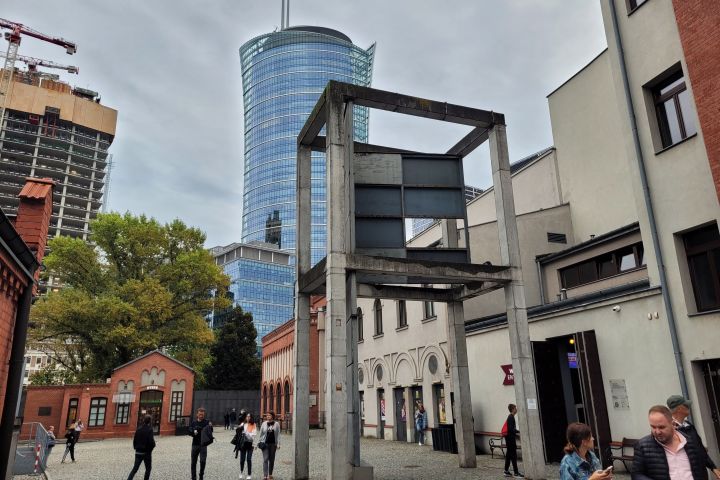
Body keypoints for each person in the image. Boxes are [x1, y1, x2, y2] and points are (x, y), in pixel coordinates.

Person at [633, 405, 707, 480]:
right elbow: (636, 475)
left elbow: (701, 470)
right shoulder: (642, 446)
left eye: (662, 427)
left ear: (673, 424)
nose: (657, 432)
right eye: (653, 427)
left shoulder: (690, 441)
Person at [667, 395, 720, 480]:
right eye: (686, 405)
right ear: (680, 408)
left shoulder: (689, 425)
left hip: (701, 474)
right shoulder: (669, 430)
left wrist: (713, 468)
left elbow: (700, 449)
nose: (689, 407)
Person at [127, 415, 156, 480]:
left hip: (138, 452)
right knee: (148, 469)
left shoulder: (138, 429)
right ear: (150, 421)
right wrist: (151, 448)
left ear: (144, 420)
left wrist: (136, 448)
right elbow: (151, 441)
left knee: (135, 469)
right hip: (146, 453)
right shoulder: (150, 429)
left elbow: (134, 440)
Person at [189, 408, 210, 480]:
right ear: (197, 414)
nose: (201, 416)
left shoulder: (207, 422)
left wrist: (210, 427)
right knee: (193, 462)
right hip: (195, 444)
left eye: (202, 415)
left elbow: (210, 431)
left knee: (203, 461)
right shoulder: (193, 423)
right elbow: (189, 431)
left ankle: (201, 475)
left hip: (203, 445)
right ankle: (193, 477)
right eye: (200, 414)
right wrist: (193, 432)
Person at [258, 412, 281, 480]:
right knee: (265, 459)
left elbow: (279, 434)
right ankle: (265, 475)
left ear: (272, 416)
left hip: (273, 444)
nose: (268, 416)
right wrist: (259, 442)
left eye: (269, 415)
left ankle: (270, 474)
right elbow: (261, 433)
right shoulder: (264, 423)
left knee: (271, 459)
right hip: (265, 444)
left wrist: (279, 444)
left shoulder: (276, 424)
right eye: (267, 415)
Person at [503, 404, 523, 478]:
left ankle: (506, 471)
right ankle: (516, 472)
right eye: (515, 408)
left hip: (509, 439)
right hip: (510, 439)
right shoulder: (511, 417)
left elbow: (511, 428)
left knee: (509, 455)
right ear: (512, 409)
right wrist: (518, 432)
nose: (516, 409)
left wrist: (517, 431)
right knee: (513, 455)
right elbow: (511, 429)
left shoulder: (510, 417)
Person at [237, 412, 257, 480]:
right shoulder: (243, 423)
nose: (248, 418)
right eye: (247, 416)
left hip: (250, 444)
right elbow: (238, 432)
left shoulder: (253, 424)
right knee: (242, 459)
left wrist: (246, 433)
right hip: (243, 443)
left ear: (251, 417)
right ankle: (241, 472)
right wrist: (239, 428)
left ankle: (249, 474)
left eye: (249, 416)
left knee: (249, 459)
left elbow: (253, 435)